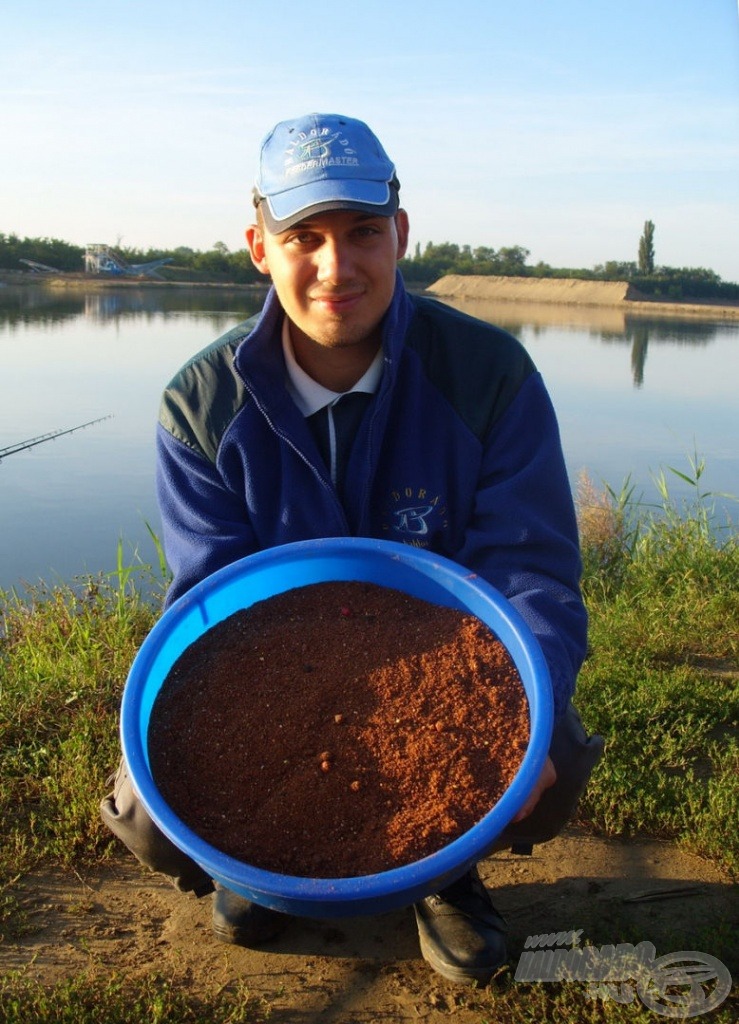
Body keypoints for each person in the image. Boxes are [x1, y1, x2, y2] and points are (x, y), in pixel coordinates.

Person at [101, 112, 603, 987]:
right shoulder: (199, 403)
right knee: (146, 813)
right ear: (259, 246)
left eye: (363, 232)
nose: (338, 267)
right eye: (305, 237)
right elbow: (210, 598)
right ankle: (262, 868)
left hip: (447, 661)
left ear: (400, 234)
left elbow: (530, 573)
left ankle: (443, 876)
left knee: (547, 762)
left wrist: (531, 699)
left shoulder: (488, 375)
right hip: (274, 677)